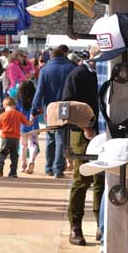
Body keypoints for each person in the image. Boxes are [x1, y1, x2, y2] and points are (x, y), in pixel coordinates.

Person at [62, 45, 104, 247]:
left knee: (102, 180)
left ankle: (100, 224)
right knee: (81, 180)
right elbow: (67, 106)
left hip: (103, 134)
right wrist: (85, 126)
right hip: (81, 135)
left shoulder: (106, 72)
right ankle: (75, 225)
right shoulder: (78, 74)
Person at [32, 45, 77, 178]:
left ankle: (49, 167)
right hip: (64, 105)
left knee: (50, 137)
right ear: (64, 55)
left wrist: (35, 108)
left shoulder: (45, 70)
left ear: (51, 57)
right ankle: (58, 168)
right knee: (61, 137)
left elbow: (39, 91)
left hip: (50, 107)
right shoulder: (71, 68)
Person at [0, 96, 33, 178]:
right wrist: (32, 120)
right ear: (14, 105)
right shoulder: (19, 114)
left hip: (5, 137)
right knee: (14, 155)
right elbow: (27, 123)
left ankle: (0, 164)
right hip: (15, 138)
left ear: (5, 106)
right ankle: (13, 172)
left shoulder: (2, 115)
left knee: (3, 153)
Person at [16, 80, 39, 174]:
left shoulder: (19, 100)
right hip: (34, 127)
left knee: (23, 147)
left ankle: (23, 165)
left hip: (22, 127)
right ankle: (32, 161)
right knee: (32, 145)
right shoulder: (35, 99)